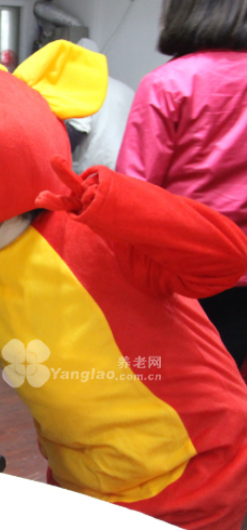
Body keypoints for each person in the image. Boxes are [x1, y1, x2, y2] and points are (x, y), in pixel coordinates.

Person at [0, 42, 247, 528]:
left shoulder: (96, 228)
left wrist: (120, 203)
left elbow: (224, 261)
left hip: (194, 474)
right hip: (81, 488)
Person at [116, 0, 247, 373]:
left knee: (177, 381)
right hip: (242, 271)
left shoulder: (168, 83)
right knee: (229, 375)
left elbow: (133, 194)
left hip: (182, 270)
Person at [64, 38, 134, 174]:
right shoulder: (126, 89)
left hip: (99, 169)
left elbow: (78, 128)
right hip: (128, 168)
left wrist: (55, 156)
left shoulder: (86, 88)